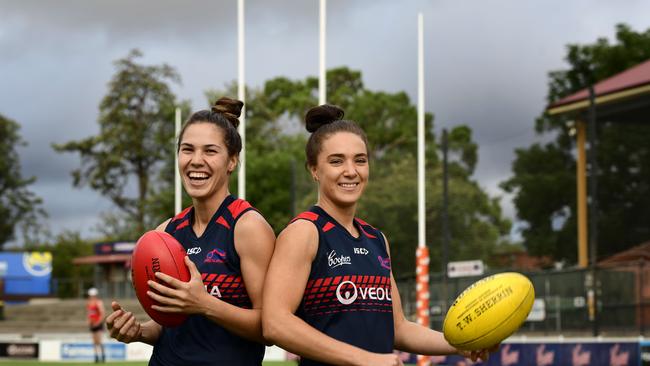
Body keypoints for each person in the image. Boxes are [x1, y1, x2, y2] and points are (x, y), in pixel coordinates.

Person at [262, 104, 496, 366]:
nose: (351, 171)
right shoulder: (304, 232)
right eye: (336, 161)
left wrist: (459, 345)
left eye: (360, 160)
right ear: (314, 170)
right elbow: (275, 323)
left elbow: (398, 328)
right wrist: (364, 359)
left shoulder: (376, 239)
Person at [105, 97, 275, 366]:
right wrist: (138, 331)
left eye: (210, 151)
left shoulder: (247, 227)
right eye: (187, 150)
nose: (196, 161)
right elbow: (167, 324)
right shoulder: (167, 232)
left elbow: (269, 327)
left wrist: (204, 304)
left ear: (232, 161)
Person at [86, 287, 105, 363]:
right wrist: (88, 321)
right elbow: (89, 313)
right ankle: (96, 357)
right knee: (94, 342)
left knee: (99, 341)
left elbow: (102, 313)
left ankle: (103, 356)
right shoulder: (89, 303)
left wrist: (98, 322)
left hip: (98, 324)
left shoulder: (98, 302)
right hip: (92, 324)